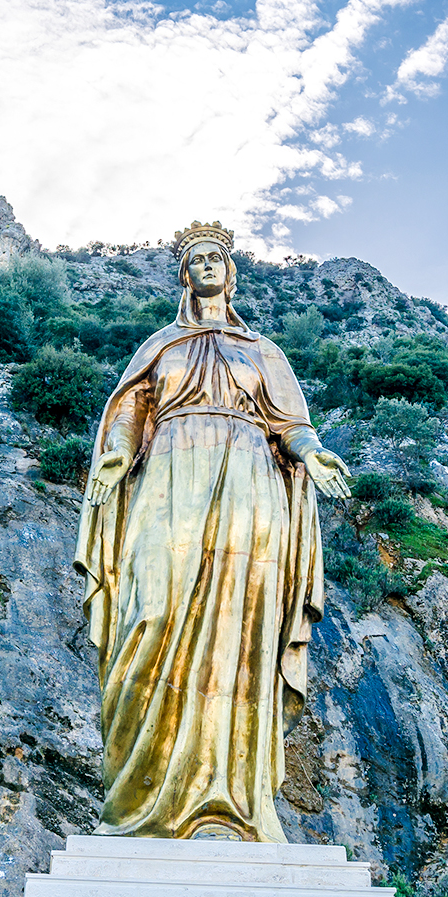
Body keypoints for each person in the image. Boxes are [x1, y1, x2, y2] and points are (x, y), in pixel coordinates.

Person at [73, 220, 352, 843]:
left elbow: (288, 421)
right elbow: (130, 410)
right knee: (153, 609)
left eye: (214, 257)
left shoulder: (263, 352)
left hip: (250, 485)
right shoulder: (162, 346)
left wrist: (311, 453)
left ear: (231, 272)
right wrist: (116, 455)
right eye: (194, 258)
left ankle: (236, 804)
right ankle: (140, 800)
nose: (205, 265)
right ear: (183, 274)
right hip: (169, 476)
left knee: (239, 628)